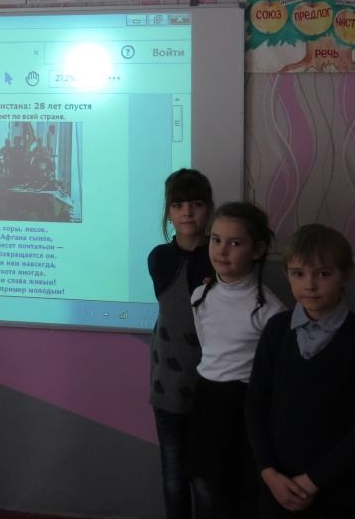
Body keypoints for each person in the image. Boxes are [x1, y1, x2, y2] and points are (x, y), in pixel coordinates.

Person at [245, 224, 355, 519]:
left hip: (337, 494)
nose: (309, 285)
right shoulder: (276, 330)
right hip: (276, 488)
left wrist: (312, 482)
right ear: (287, 274)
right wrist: (268, 472)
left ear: (346, 275)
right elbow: (255, 404)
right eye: (298, 274)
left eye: (323, 274)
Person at [189, 202, 286, 519]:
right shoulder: (199, 297)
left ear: (257, 250)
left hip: (245, 405)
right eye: (216, 240)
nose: (221, 250)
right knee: (206, 486)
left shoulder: (271, 311)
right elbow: (208, 347)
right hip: (207, 398)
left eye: (235, 243)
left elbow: (274, 374)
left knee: (242, 492)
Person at [148, 168, 215, 519]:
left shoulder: (221, 256)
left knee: (206, 482)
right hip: (168, 386)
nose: (187, 212)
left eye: (196, 204)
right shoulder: (159, 258)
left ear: (209, 209)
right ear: (169, 212)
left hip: (213, 387)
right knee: (174, 479)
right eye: (178, 205)